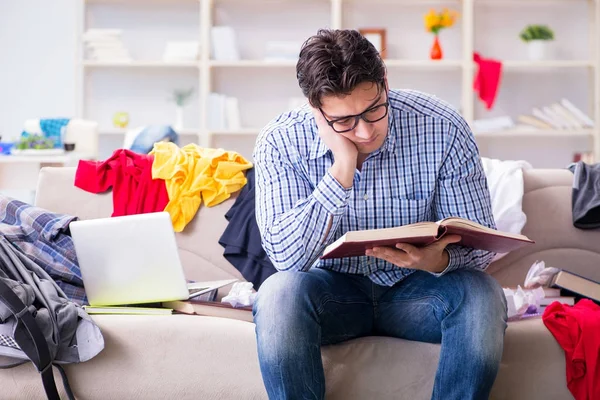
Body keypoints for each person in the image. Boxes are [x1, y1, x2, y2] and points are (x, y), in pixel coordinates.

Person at [252, 28, 507, 400]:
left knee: (483, 293)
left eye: (374, 109)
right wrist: (342, 168)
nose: (366, 130)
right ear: (316, 109)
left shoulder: (443, 126)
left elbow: (481, 244)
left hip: (417, 293)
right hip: (331, 295)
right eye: (344, 121)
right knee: (277, 294)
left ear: (385, 82)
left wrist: (439, 260)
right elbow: (286, 258)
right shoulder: (280, 141)